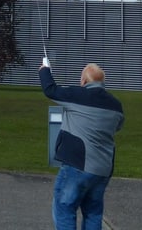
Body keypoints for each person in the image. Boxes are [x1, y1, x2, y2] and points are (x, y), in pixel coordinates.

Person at [39, 59, 124, 230]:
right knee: (93, 212)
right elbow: (118, 126)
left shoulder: (78, 95)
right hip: (103, 169)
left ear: (84, 81)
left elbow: (50, 90)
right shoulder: (116, 106)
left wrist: (44, 70)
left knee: (64, 207)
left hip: (78, 164)